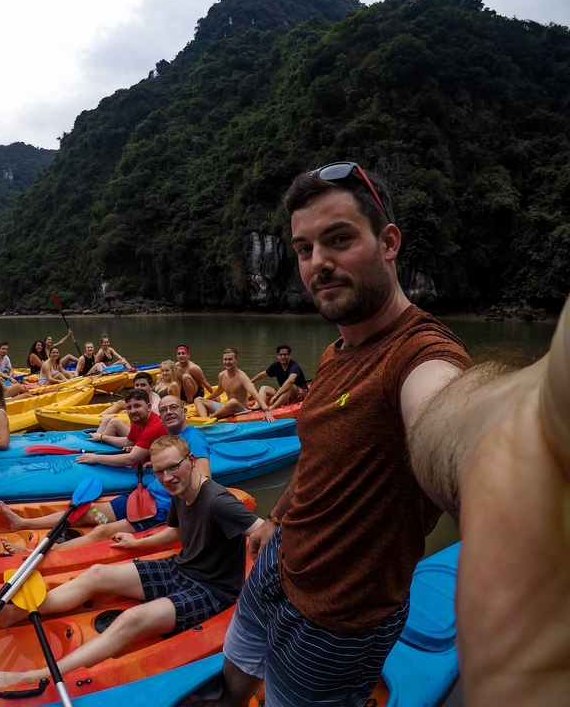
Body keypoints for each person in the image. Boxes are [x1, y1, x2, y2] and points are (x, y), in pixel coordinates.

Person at [204, 162, 476, 707]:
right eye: (304, 249)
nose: (318, 263)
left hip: (343, 618)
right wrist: (275, 521)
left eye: (339, 239)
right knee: (235, 674)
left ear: (388, 242)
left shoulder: (421, 355)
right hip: (278, 563)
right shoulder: (334, 353)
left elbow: (449, 421)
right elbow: (319, 454)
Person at [0, 435, 263, 691]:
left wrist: (260, 579)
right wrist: (138, 543)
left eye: (173, 467)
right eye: (160, 471)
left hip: (211, 589)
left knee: (131, 620)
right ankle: (12, 613)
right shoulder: (180, 491)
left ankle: (35, 674)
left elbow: (266, 533)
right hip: (180, 567)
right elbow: (174, 532)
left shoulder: (217, 500)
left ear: (190, 461)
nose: (167, 477)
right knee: (96, 573)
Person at [0, 394, 212, 552]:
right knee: (88, 511)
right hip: (144, 497)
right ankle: (23, 523)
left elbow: (203, 481)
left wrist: (181, 517)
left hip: (160, 509)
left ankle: (38, 554)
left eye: (173, 408)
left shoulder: (194, 438)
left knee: (100, 531)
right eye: (163, 410)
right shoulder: (168, 435)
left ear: (184, 411)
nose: (168, 413)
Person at [79, 388, 166, 466]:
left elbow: (131, 459)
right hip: (141, 462)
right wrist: (102, 437)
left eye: (137, 406)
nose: (133, 411)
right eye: (129, 407)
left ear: (149, 407)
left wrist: (96, 458)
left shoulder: (154, 428)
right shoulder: (138, 420)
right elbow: (127, 442)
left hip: (150, 471)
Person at [194, 348, 275, 422]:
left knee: (233, 402)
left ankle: (210, 419)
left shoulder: (242, 376)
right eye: (225, 359)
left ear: (236, 360)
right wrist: (207, 400)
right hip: (227, 407)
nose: (227, 362)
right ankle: (203, 421)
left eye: (230, 359)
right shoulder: (221, 375)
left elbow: (255, 394)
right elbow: (219, 391)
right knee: (198, 399)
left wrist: (266, 410)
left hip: (241, 410)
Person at [93, 372, 162, 438]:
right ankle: (97, 437)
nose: (139, 388)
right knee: (107, 418)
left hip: (143, 435)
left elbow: (155, 429)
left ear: (151, 386)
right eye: (137, 385)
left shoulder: (155, 406)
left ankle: (99, 442)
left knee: (114, 423)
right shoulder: (147, 395)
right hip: (138, 430)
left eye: (143, 385)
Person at [249, 344, 308, 410]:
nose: (283, 357)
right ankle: (257, 406)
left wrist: (276, 395)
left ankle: (272, 408)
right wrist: (250, 381)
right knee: (264, 388)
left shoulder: (294, 366)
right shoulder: (276, 365)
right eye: (281, 355)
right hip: (284, 393)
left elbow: (290, 381)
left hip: (300, 394)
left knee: (290, 386)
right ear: (278, 356)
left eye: (285, 354)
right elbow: (264, 374)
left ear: (289, 356)